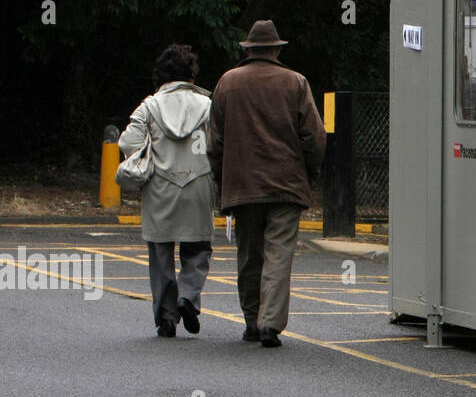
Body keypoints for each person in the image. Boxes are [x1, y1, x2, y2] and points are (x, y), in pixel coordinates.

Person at [207, 20, 326, 348]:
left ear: (248, 50)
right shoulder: (295, 82)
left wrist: (221, 176)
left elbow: (213, 141)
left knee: (248, 253)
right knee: (278, 254)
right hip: (286, 183)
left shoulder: (227, 83)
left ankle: (250, 320)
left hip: (242, 185)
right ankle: (270, 324)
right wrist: (309, 173)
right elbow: (315, 137)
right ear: (276, 50)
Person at [119, 44, 216, 338]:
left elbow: (127, 143)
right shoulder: (209, 105)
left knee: (161, 251)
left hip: (160, 185)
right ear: (191, 74)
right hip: (199, 183)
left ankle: (166, 315)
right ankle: (188, 296)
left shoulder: (149, 106)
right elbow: (221, 144)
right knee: (198, 248)